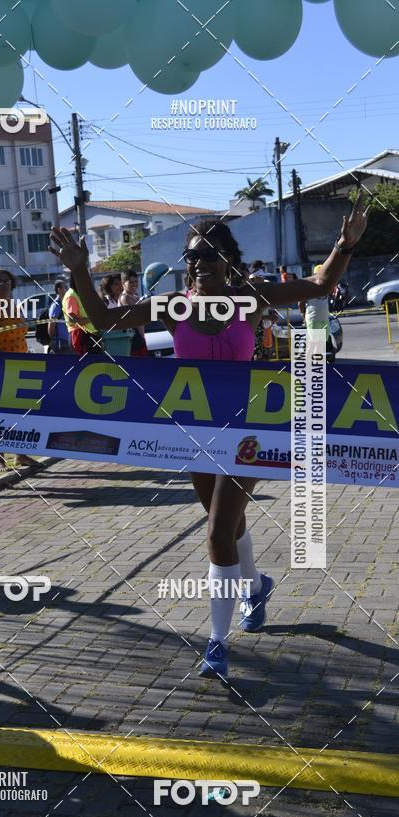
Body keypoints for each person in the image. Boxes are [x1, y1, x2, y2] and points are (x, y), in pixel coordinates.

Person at [50, 193, 369, 679]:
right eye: (191, 255)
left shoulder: (252, 298)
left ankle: (217, 644)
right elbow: (105, 321)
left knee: (218, 532)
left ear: (227, 260)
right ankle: (257, 585)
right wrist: (78, 270)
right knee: (231, 526)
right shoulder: (173, 306)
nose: (197, 262)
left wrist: (344, 245)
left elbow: (319, 282)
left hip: (246, 432)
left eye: (206, 254)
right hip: (192, 433)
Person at [0, 268, 37, 471]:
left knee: (19, 412)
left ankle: (20, 455)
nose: (4, 285)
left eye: (7, 281)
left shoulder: (14, 306)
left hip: (21, 364)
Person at [63, 274, 102, 355]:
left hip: (89, 335)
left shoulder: (80, 294)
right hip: (81, 337)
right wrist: (92, 319)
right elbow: (72, 320)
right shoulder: (71, 295)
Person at [119, 269, 148, 357]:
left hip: (138, 338)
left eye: (136, 281)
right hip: (133, 340)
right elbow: (137, 319)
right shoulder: (125, 298)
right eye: (131, 282)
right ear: (123, 283)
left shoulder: (135, 296)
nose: (134, 284)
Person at [47, 280, 71, 354]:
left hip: (69, 342)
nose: (68, 290)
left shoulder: (65, 303)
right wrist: (56, 339)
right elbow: (51, 327)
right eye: (65, 287)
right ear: (59, 290)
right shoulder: (56, 306)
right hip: (62, 344)